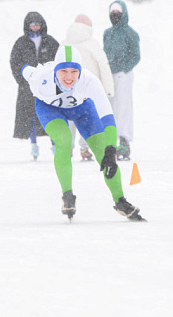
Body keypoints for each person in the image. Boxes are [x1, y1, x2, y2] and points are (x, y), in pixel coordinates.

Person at [21, 45, 145, 221]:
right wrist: (24, 68)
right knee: (64, 140)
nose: (69, 77)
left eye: (74, 71)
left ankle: (120, 200)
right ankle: (67, 195)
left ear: (81, 71)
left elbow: (107, 116)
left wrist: (111, 149)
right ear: (55, 70)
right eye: (63, 71)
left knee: (104, 153)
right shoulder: (41, 80)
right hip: (49, 109)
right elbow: (25, 69)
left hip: (81, 109)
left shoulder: (90, 81)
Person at [64, 14, 115, 161]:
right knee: (87, 118)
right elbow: (103, 66)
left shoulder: (65, 43)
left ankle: (67, 147)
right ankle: (84, 148)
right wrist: (108, 89)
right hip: (87, 87)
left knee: (69, 118)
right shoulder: (92, 44)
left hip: (68, 86)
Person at [9, 11, 59, 160]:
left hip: (47, 86)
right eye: (32, 25)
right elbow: (14, 63)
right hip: (27, 86)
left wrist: (54, 80)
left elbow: (58, 60)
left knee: (50, 115)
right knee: (30, 115)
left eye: (38, 24)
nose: (35, 27)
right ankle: (34, 145)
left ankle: (55, 145)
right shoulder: (21, 43)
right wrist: (22, 80)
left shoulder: (50, 42)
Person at [103, 0, 141, 160]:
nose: (115, 17)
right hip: (109, 75)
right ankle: (109, 139)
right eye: (113, 14)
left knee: (123, 106)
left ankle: (124, 140)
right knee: (109, 106)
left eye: (118, 14)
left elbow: (136, 56)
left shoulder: (130, 33)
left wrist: (123, 67)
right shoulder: (108, 33)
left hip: (123, 75)